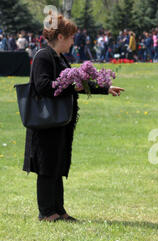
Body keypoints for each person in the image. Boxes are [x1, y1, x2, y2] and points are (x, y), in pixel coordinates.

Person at [23, 14, 125, 222]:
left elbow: (77, 83)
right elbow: (43, 86)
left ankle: (59, 210)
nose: (73, 42)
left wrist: (105, 88)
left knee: (57, 164)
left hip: (59, 122)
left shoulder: (59, 58)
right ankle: (46, 212)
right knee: (47, 166)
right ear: (60, 36)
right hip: (46, 123)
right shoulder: (43, 56)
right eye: (70, 37)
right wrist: (70, 85)